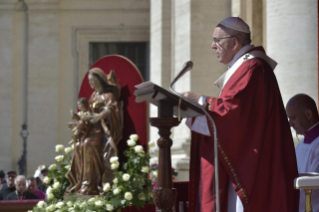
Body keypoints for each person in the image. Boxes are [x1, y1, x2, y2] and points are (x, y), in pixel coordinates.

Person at [183, 17, 299, 212]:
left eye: (217, 40)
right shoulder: (244, 68)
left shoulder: (252, 68)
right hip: (248, 162)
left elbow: (234, 113)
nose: (213, 46)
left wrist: (201, 100)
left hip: (255, 166)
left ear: (234, 43)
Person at [67, 68, 122, 195]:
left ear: (100, 80)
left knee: (87, 144)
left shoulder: (109, 95)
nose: (91, 83)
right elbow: (88, 114)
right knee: (78, 145)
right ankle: (81, 182)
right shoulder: (93, 96)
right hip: (90, 128)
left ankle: (92, 184)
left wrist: (99, 116)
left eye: (93, 80)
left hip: (101, 130)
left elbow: (112, 109)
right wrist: (78, 123)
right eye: (89, 81)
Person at [286, 94, 319, 212]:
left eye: (293, 118)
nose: (290, 124)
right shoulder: (301, 144)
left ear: (308, 114)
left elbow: (314, 187)